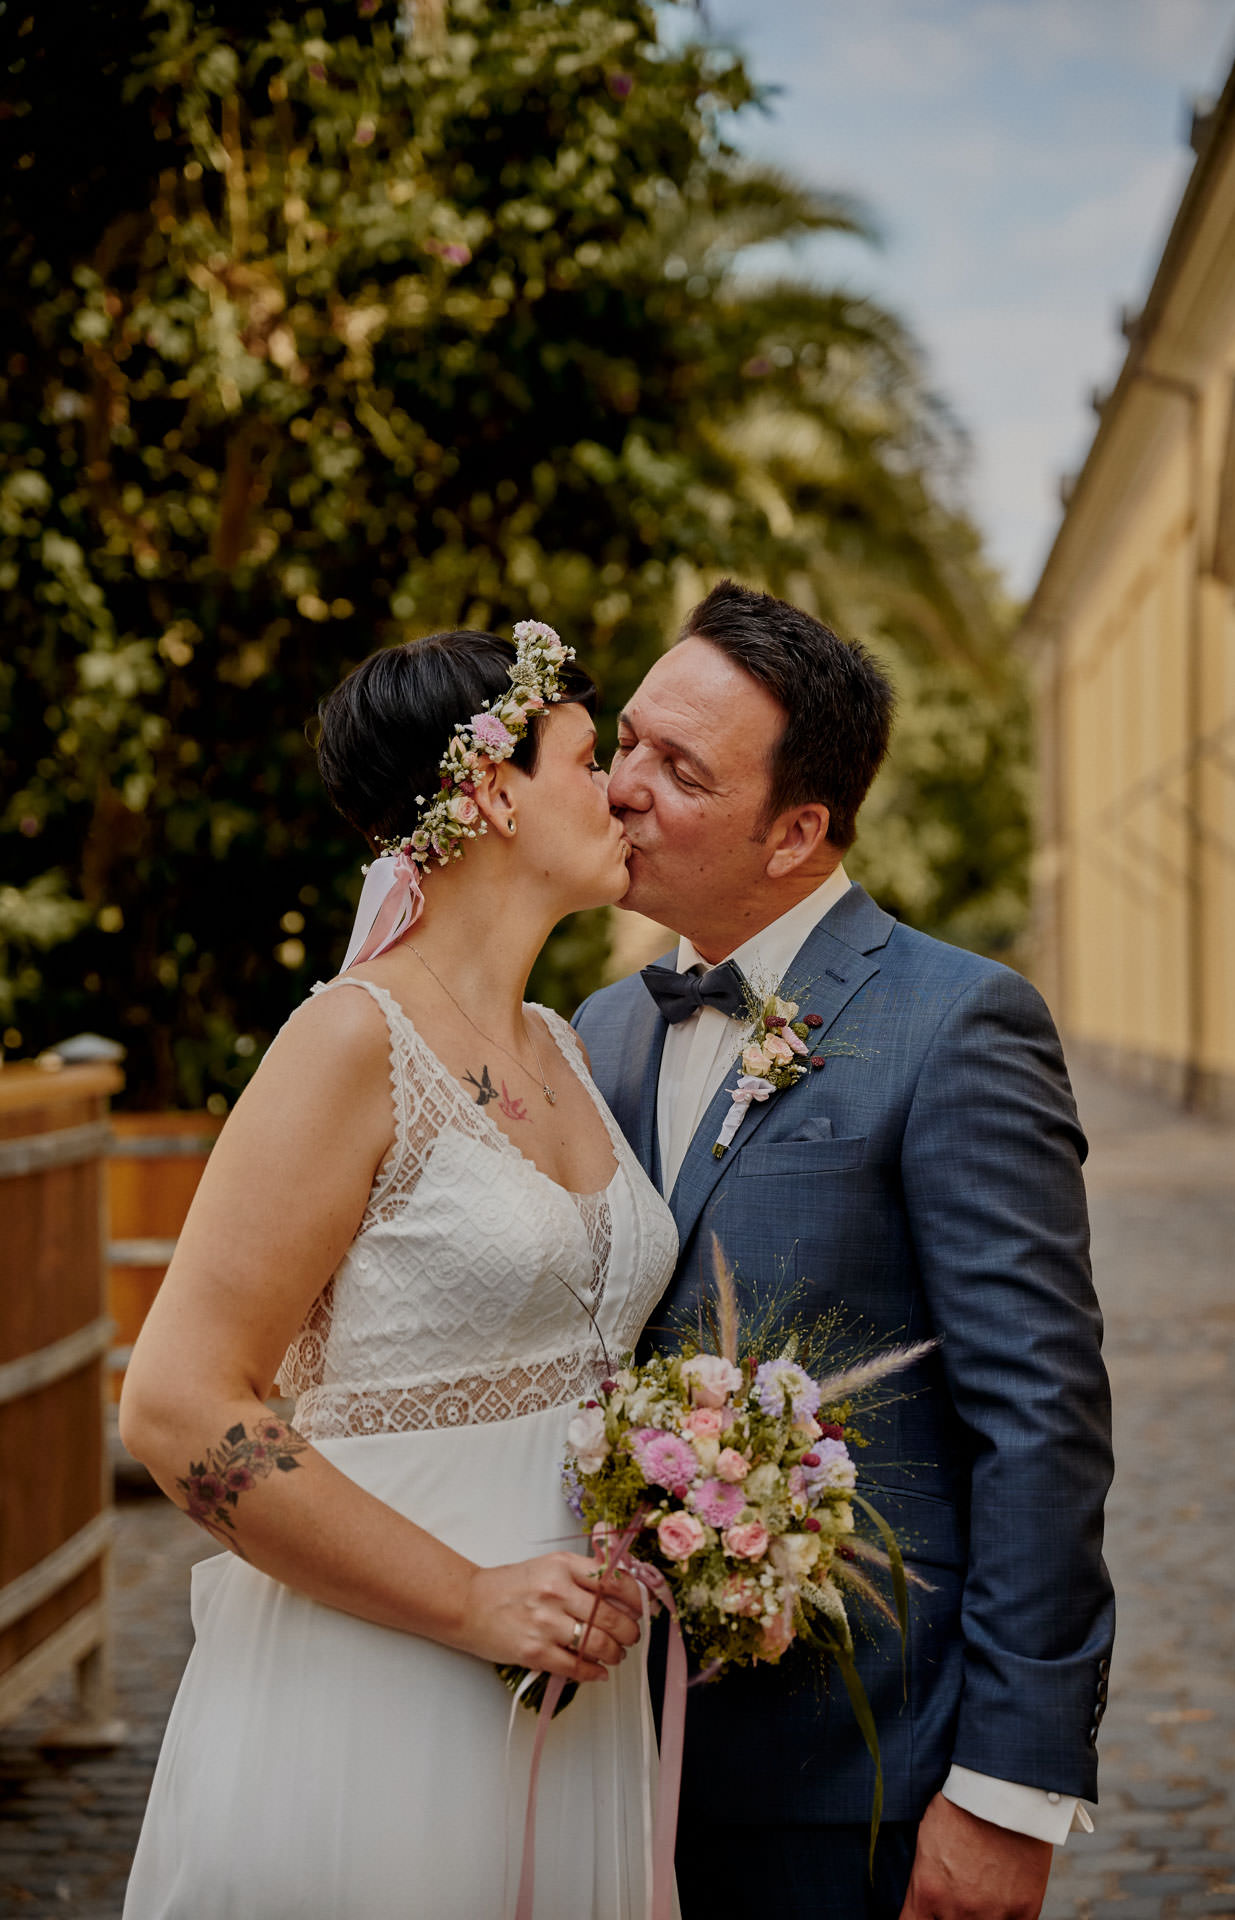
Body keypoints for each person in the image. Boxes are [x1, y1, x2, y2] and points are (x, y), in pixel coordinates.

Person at [120, 623, 680, 1919]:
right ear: (493, 790)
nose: (622, 792)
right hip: (383, 1689)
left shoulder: (561, 1042)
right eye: (589, 759)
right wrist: (473, 1599)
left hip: (568, 1688)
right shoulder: (346, 1044)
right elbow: (175, 1404)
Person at [574, 579, 1115, 1920]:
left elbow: (1041, 1418)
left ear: (797, 829)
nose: (624, 784)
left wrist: (1008, 1790)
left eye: (680, 768)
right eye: (627, 739)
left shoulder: (959, 1024)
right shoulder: (593, 1029)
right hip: (596, 1767)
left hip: (856, 1775)